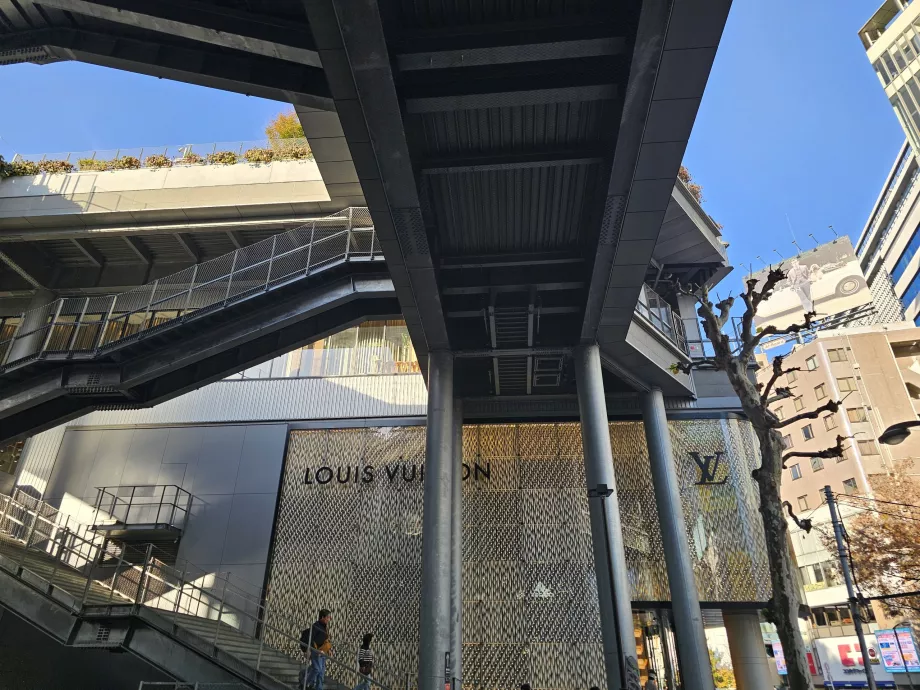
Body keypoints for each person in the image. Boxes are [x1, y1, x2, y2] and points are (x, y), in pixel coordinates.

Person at [300, 609, 332, 690]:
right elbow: (309, 638)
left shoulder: (324, 627)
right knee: (317, 669)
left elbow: (325, 640)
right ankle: (304, 683)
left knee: (321, 672)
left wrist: (329, 650)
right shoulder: (316, 626)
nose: (329, 619)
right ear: (322, 617)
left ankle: (318, 688)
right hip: (316, 651)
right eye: (327, 617)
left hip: (322, 652)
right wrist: (309, 650)